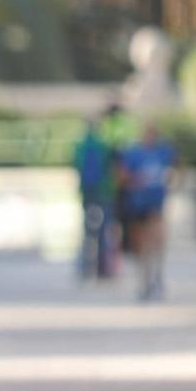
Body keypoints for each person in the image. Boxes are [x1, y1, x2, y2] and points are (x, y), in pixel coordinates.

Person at [118, 122, 177, 301]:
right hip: (139, 205)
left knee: (158, 241)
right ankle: (144, 281)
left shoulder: (163, 152)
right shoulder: (134, 154)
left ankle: (157, 278)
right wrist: (136, 182)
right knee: (142, 246)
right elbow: (122, 175)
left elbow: (176, 168)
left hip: (156, 204)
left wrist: (171, 182)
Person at [73, 116, 117, 281]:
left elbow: (76, 166)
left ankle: (85, 267)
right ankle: (102, 269)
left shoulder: (80, 145)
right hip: (104, 192)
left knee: (87, 231)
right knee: (104, 230)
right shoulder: (103, 145)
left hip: (87, 192)